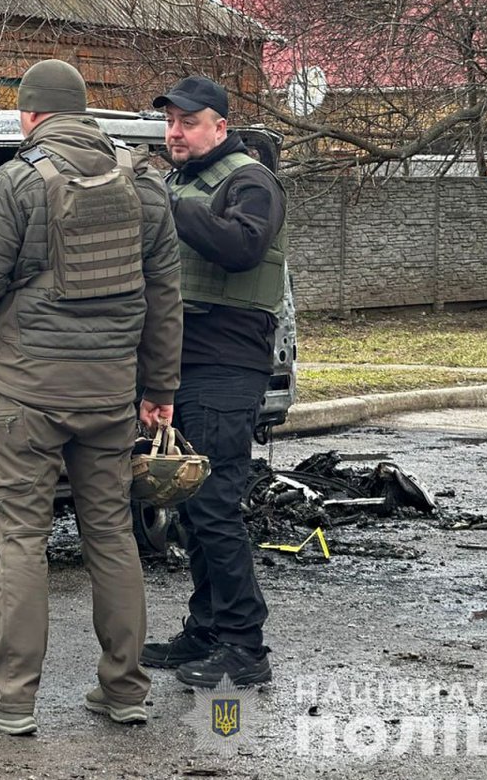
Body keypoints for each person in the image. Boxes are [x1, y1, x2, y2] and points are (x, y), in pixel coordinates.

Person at [0, 59, 183, 734]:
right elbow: (166, 298)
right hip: (111, 394)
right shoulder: (145, 183)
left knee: (21, 538)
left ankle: (11, 698)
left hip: (30, 394)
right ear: (83, 113)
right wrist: (160, 388)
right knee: (111, 533)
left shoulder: (18, 182)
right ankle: (125, 688)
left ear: (31, 115)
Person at [140, 76, 287, 689]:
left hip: (227, 362)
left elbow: (242, 248)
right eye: (170, 121)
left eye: (188, 122)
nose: (175, 132)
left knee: (215, 503)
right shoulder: (181, 181)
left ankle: (245, 644)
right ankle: (207, 628)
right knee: (192, 504)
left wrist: (168, 208)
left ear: (219, 127)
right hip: (183, 362)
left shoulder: (250, 180)